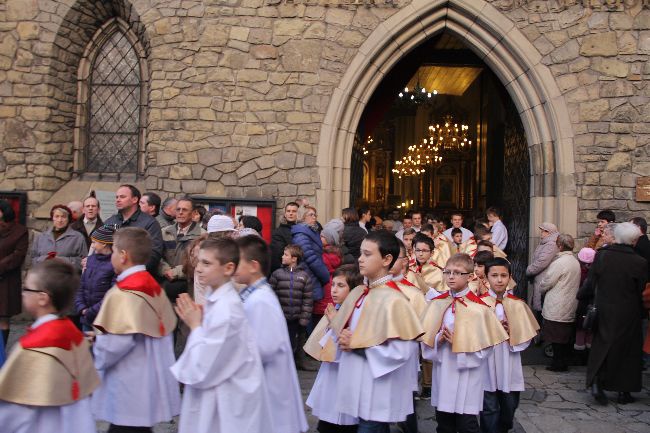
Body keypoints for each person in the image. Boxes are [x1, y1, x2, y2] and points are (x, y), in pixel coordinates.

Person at [170, 237, 270, 433]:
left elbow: (203, 366)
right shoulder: (215, 299)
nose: (198, 268)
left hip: (224, 406)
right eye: (198, 261)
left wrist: (196, 325)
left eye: (207, 263)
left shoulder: (227, 309)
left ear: (228, 268)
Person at [329, 230, 424, 433]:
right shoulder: (360, 293)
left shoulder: (395, 300)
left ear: (387, 259)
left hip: (376, 390)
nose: (360, 259)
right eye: (361, 254)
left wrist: (356, 346)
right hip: (357, 383)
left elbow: (401, 351)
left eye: (368, 254)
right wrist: (343, 336)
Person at [91, 227, 180, 432]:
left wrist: (98, 354)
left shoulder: (125, 292)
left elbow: (117, 342)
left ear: (123, 256)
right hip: (146, 378)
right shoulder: (152, 286)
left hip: (128, 381)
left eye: (113, 251)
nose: (111, 255)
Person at [0, 259, 100, 433]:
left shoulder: (33, 347)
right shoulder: (74, 336)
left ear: (42, 298)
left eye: (27, 289)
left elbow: (13, 410)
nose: (22, 293)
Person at [419, 254, 508, 433]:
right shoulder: (437, 304)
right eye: (447, 272)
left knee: (467, 424)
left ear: (470, 276)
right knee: (444, 424)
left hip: (468, 374)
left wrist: (459, 343)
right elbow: (426, 340)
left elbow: (487, 347)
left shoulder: (480, 309)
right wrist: (438, 340)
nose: (451, 276)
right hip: (444, 371)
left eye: (458, 273)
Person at [234, 235, 308, 433]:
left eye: (237, 261)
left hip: (268, 389)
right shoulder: (253, 295)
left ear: (253, 265)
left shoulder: (260, 301)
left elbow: (263, 348)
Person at [585, 222, 647, 405]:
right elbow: (641, 290)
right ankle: (623, 390)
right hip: (629, 311)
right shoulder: (639, 262)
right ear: (633, 240)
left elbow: (591, 282)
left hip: (604, 308)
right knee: (627, 352)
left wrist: (585, 299)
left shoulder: (602, 256)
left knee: (602, 346)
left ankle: (597, 383)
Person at [479, 258, 539, 433]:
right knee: (488, 408)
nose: (499, 280)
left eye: (503, 275)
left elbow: (526, 336)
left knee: (509, 407)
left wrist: (512, 331)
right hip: (486, 363)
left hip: (509, 361)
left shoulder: (518, 305)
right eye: (494, 275)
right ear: (486, 278)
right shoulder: (478, 305)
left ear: (509, 277)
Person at [305, 264, 362, 433]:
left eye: (341, 286)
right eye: (333, 285)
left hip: (346, 375)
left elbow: (348, 343)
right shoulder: (335, 309)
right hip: (330, 374)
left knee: (343, 422)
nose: (334, 290)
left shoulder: (355, 312)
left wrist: (336, 322)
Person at [536, 234, 581, 372]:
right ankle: (562, 361)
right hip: (569, 302)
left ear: (559, 246)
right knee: (564, 336)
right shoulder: (574, 261)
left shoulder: (560, 263)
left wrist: (541, 287)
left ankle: (558, 363)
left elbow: (547, 281)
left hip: (558, 303)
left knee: (556, 337)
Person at [104, 185, 163, 275]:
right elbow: (101, 246)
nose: (118, 200)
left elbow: (154, 254)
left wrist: (129, 270)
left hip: (136, 277)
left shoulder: (150, 223)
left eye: (122, 197)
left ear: (135, 200)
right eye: (117, 197)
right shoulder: (110, 221)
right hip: (109, 276)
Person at [269, 244, 313, 357]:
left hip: (294, 319)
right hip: (280, 318)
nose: (282, 256)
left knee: (291, 344)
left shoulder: (304, 276)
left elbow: (307, 299)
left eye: (286, 254)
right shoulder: (277, 274)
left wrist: (304, 319)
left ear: (294, 258)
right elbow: (270, 295)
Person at [160, 197, 205, 302]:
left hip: (189, 288)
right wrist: (165, 270)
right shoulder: (164, 232)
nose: (180, 213)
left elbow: (198, 262)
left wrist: (176, 272)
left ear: (193, 213)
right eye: (178, 209)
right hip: (165, 284)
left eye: (184, 210)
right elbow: (157, 255)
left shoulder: (202, 235)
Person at [74, 224, 116, 331]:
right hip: (86, 318)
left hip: (103, 319)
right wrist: (81, 307)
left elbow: (112, 294)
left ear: (103, 244)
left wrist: (91, 311)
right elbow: (81, 285)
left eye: (94, 242)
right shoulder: (91, 260)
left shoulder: (114, 264)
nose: (92, 245)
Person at [0, 200, 28, 346]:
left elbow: (18, 255)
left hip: (6, 280)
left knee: (3, 318)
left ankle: (1, 352)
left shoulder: (20, 231)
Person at [30, 204, 88, 272]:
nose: (60, 220)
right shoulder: (41, 237)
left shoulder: (78, 237)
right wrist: (46, 259)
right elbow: (33, 258)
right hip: (44, 278)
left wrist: (62, 260)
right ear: (52, 218)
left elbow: (84, 261)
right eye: (57, 216)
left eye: (63, 217)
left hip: (67, 278)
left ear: (68, 219)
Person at [292, 206, 329, 302]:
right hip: (308, 277)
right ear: (303, 217)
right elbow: (310, 258)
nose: (314, 217)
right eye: (311, 215)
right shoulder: (301, 235)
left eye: (315, 215)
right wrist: (325, 275)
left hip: (312, 277)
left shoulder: (310, 232)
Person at [526, 222, 559, 314]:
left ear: (548, 232)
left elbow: (542, 262)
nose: (541, 233)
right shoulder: (546, 243)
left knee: (541, 306)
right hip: (540, 277)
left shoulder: (551, 244)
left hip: (543, 277)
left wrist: (529, 270)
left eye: (543, 231)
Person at [271, 202, 300, 273]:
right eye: (288, 211)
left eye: (294, 211)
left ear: (298, 214)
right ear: (285, 214)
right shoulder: (278, 232)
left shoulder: (302, 229)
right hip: (286, 270)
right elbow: (278, 254)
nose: (291, 213)